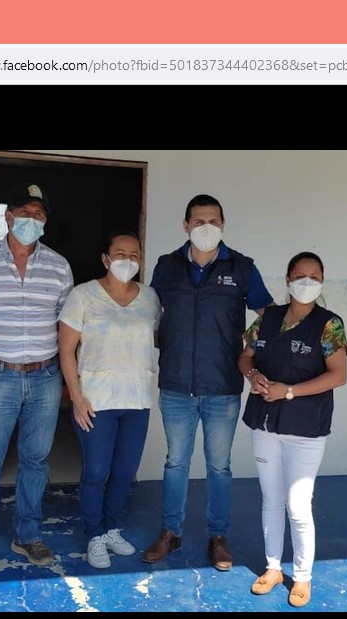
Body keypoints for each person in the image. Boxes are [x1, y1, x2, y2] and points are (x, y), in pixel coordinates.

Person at [143, 195, 274, 570]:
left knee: (219, 466)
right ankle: (171, 532)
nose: (206, 227)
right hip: (176, 385)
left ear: (223, 224)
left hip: (222, 387)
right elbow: (147, 312)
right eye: (198, 221)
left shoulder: (242, 267)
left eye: (213, 220)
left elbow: (268, 315)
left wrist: (252, 354)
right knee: (175, 463)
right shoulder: (167, 266)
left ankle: (218, 536)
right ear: (185, 225)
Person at [0, 183, 73, 576]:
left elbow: (65, 322)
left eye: (39, 214)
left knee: (36, 460)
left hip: (45, 376)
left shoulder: (59, 266)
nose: (31, 220)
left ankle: (28, 534)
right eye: (24, 213)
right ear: (8, 216)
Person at [238, 252, 347, 607]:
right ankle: (273, 568)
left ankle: (302, 577)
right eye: (300, 276)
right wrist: (253, 375)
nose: (306, 282)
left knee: (298, 504)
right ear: (287, 280)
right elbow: (245, 355)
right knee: (271, 499)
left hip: (306, 428)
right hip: (265, 423)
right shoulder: (267, 318)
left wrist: (288, 391)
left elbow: (339, 375)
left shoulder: (329, 325)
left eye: (314, 277)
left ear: (322, 282)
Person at [58, 231, 161, 568]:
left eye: (134, 255)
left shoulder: (150, 298)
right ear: (105, 259)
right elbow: (66, 350)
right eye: (120, 254)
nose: (127, 260)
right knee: (96, 471)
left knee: (124, 471)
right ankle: (94, 535)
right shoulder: (83, 296)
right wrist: (76, 397)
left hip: (136, 399)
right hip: (96, 400)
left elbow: (155, 339)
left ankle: (111, 527)